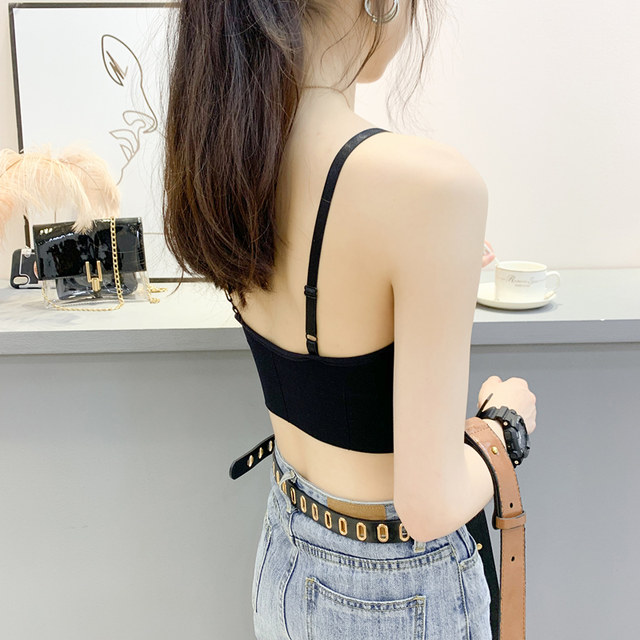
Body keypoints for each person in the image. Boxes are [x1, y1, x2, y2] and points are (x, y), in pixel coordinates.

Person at [161, 0, 537, 638]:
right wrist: (507, 425)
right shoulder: (431, 186)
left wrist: (431, 269)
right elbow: (430, 504)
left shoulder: (229, 155)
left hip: (286, 552)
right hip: (400, 590)